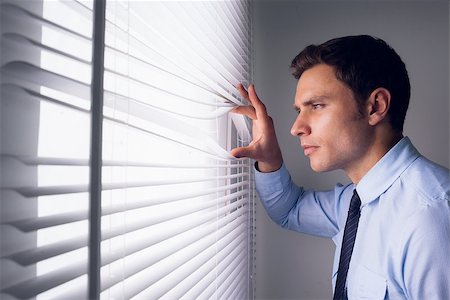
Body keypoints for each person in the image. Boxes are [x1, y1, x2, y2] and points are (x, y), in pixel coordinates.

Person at [231, 35, 450, 299]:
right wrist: (270, 156)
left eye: (317, 105)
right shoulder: (353, 201)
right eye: (299, 110)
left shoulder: (430, 216)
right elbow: (289, 209)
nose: (296, 128)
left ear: (375, 107)